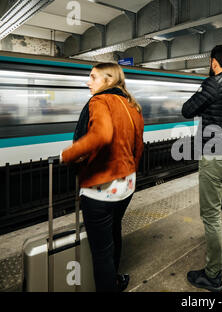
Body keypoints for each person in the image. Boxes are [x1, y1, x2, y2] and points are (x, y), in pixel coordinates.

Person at [61, 62, 144, 292]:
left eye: (93, 77)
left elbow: (100, 135)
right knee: (114, 232)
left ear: (108, 81)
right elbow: (139, 147)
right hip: (126, 186)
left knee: (101, 252)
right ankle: (116, 280)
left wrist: (67, 155)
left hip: (101, 189)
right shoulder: (132, 105)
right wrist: (130, 172)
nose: (88, 82)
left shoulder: (99, 101)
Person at [181, 45, 222, 292]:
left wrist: (204, 86)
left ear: (213, 62)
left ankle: (213, 274)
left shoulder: (213, 83)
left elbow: (187, 110)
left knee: (210, 215)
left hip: (215, 156)